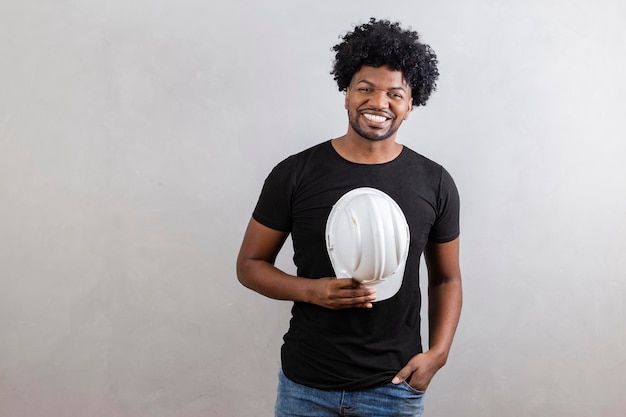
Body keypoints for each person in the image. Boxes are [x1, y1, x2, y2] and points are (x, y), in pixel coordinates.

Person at [236, 18, 462, 417]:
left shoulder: (435, 182)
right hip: (306, 384)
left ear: (411, 105)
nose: (378, 102)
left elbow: (446, 278)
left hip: (394, 387)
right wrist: (311, 290)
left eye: (395, 93)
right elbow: (250, 265)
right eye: (365, 88)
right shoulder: (295, 173)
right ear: (346, 94)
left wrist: (438, 354)